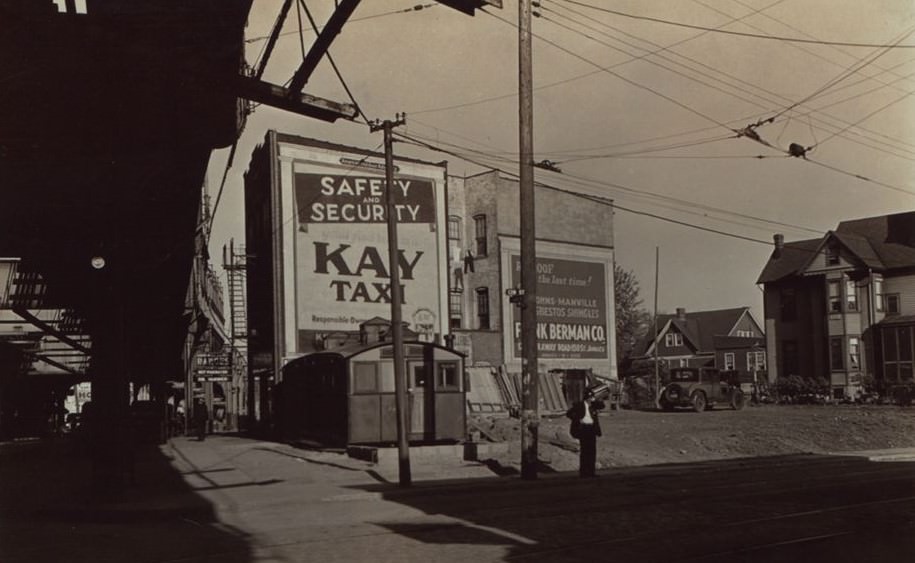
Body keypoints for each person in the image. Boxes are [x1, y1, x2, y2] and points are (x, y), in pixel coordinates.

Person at [566, 384, 608, 478]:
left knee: (592, 451)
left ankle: (591, 472)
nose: (592, 399)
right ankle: (584, 472)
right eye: (591, 397)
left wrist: (597, 398)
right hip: (583, 429)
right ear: (587, 398)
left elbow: (602, 406)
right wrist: (577, 419)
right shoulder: (579, 405)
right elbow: (568, 414)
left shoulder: (594, 405)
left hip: (591, 429)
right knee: (585, 451)